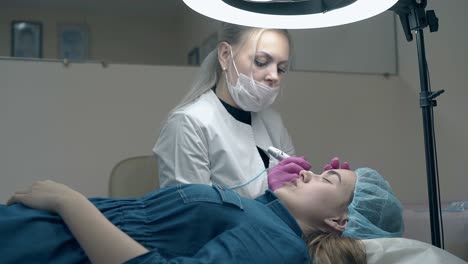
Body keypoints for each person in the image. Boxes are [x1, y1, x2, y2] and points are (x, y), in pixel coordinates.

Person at [1, 164, 360, 264]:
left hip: (48, 248)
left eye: (328, 179)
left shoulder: (281, 247)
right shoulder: (266, 221)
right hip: (37, 233)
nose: (306, 171)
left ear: (339, 221)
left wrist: (70, 202)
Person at [154, 22, 301, 198]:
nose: (274, 76)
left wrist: (323, 188)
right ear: (225, 55)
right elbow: (194, 213)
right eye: (261, 62)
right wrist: (272, 197)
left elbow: (296, 199)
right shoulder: (189, 124)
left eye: (281, 68)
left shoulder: (273, 122)